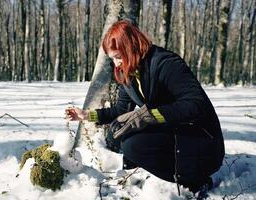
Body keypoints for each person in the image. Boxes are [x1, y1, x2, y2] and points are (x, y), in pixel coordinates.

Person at [65, 20, 225, 195]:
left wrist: (148, 116)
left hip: (203, 139)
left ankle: (195, 181)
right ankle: (155, 170)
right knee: (118, 133)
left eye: (118, 56)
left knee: (133, 146)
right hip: (175, 132)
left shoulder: (165, 63)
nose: (116, 64)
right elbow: (120, 111)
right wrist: (87, 115)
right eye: (112, 58)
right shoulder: (129, 73)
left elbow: (196, 105)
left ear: (130, 47)